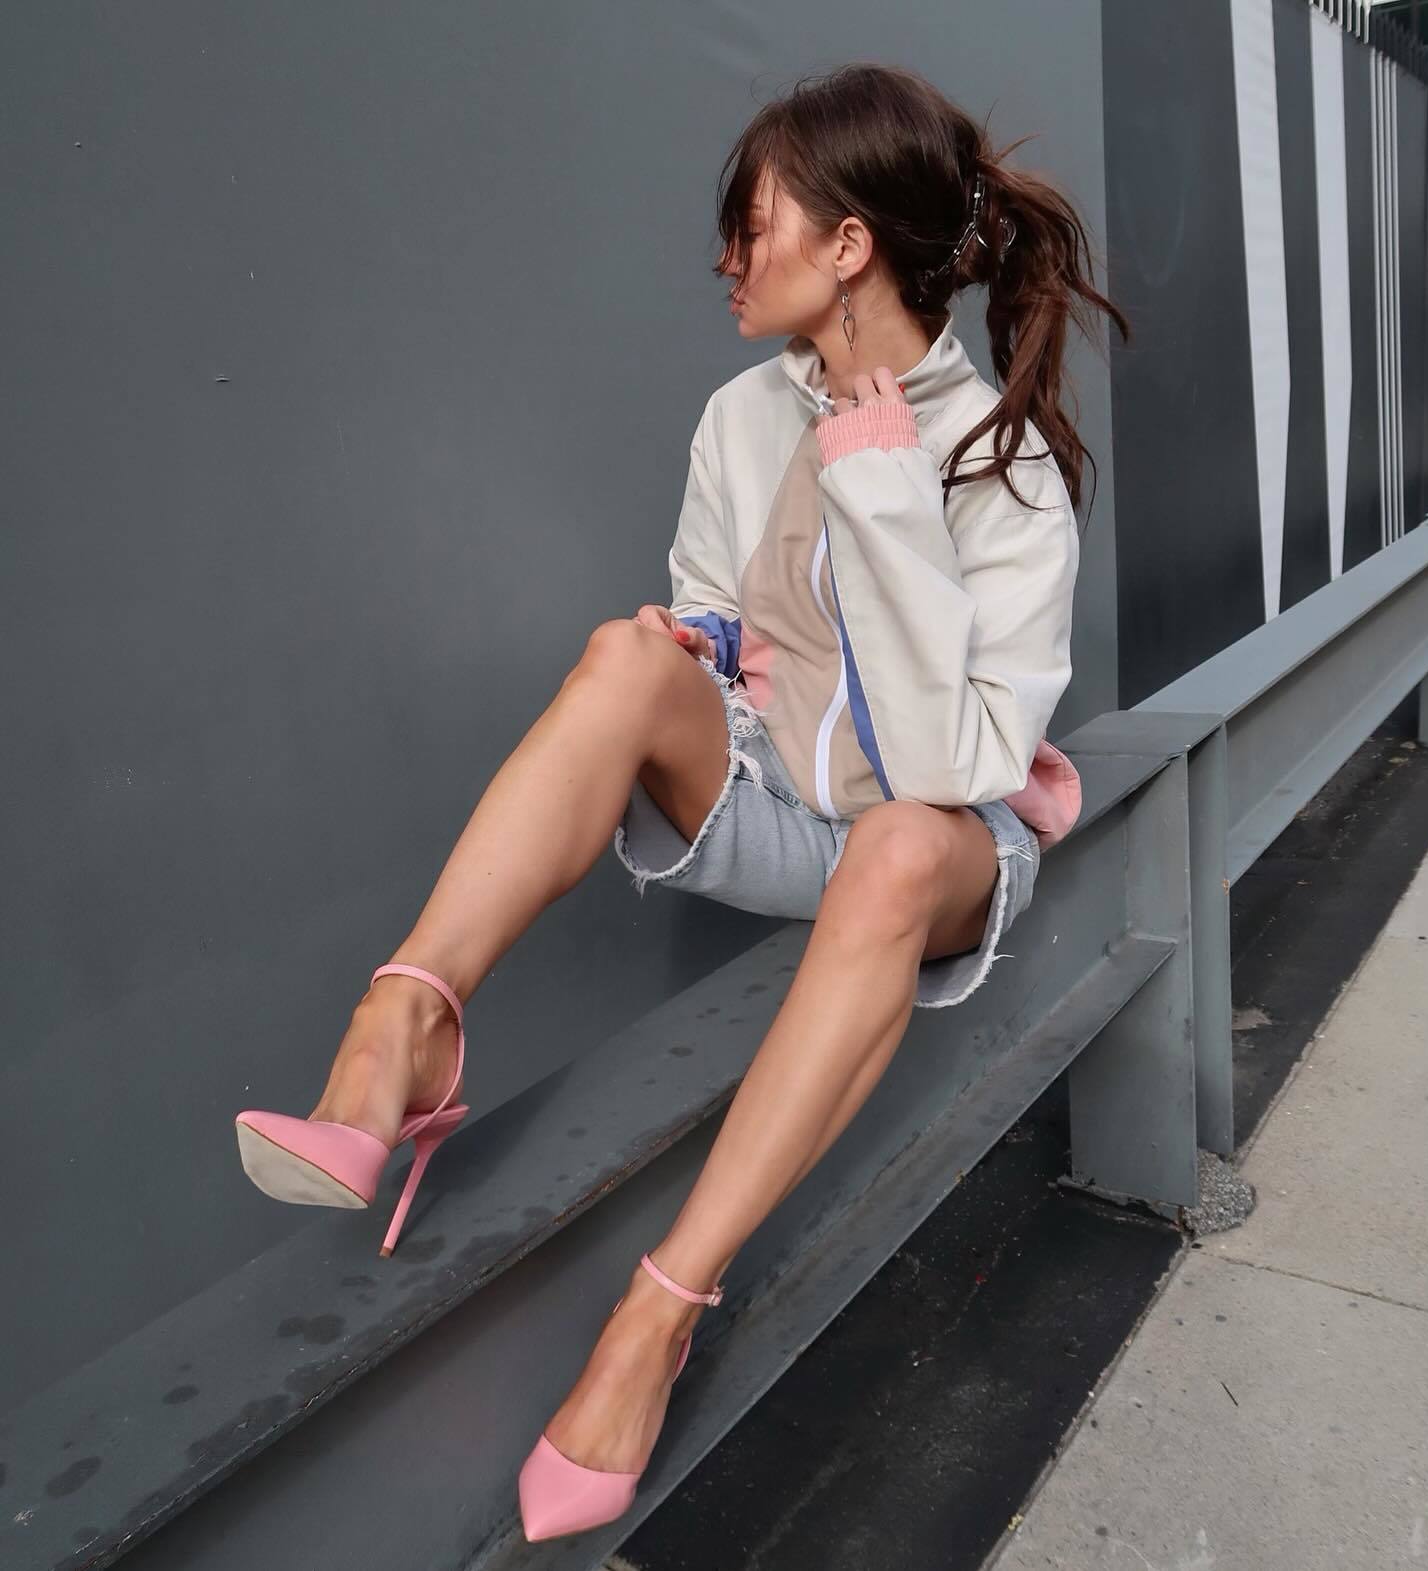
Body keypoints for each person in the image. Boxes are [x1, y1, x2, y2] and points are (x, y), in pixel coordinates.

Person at [234, 61, 1130, 1542]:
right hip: (788, 799)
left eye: (753, 223)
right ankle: (405, 1021)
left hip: (938, 845)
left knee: (899, 841)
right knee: (622, 654)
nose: (726, 257)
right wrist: (697, 655)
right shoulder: (738, 418)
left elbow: (952, 763)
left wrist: (881, 486)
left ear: (849, 245)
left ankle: (658, 1314)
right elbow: (726, 621)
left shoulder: (1003, 464)